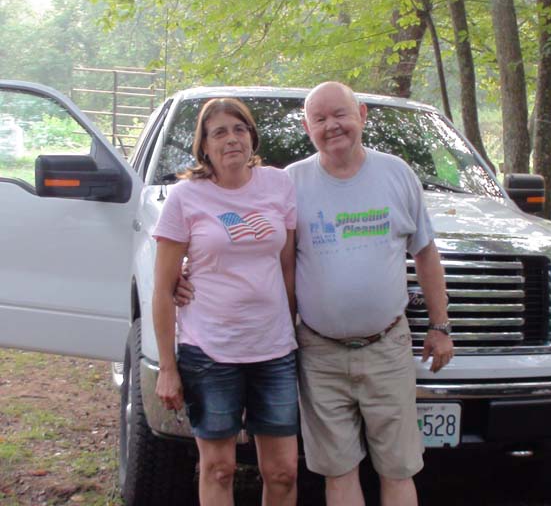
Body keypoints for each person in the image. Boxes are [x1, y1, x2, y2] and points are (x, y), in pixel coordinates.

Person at [176, 82, 453, 506]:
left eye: (340, 114)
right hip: (318, 352)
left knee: (398, 469)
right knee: (338, 472)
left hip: (388, 347)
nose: (331, 126)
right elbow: (256, 246)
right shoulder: (290, 182)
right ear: (307, 128)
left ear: (361, 115)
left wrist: (440, 326)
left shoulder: (397, 173)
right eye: (319, 119)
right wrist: (186, 270)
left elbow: (426, 254)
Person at [152, 97, 299, 506]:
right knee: (219, 468)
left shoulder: (279, 185)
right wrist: (167, 367)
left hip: (274, 352)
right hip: (209, 352)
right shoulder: (185, 197)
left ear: (252, 137)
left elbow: (288, 268)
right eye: (219, 132)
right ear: (204, 146)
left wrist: (291, 330)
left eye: (239, 129)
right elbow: (163, 289)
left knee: (284, 472)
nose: (231, 139)